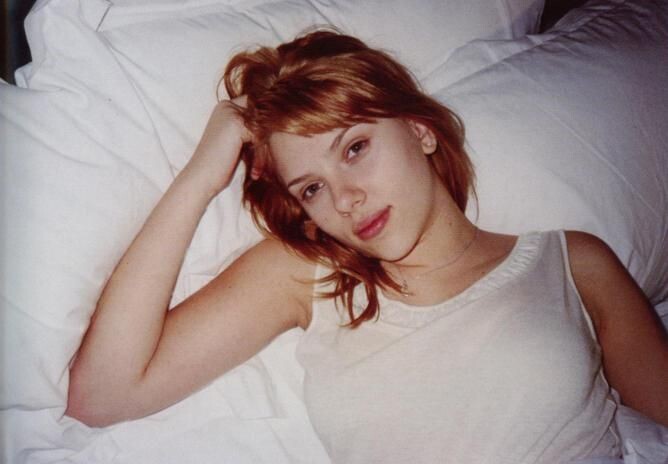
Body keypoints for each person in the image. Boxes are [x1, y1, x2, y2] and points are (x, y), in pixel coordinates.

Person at [65, 30, 668, 463]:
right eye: (312, 187)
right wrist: (202, 176)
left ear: (420, 130)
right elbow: (103, 394)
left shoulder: (572, 263)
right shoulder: (307, 276)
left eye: (354, 148)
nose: (347, 198)